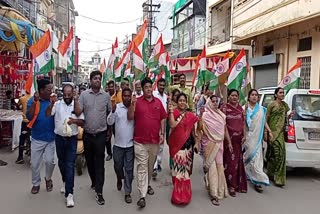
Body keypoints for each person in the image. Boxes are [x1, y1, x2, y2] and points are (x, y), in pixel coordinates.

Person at [127, 77, 167, 208]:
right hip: (139, 141)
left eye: (150, 87)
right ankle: (142, 196)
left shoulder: (158, 102)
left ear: (152, 88)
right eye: (146, 87)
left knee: (150, 167)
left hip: (154, 141)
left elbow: (162, 119)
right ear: (143, 89)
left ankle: (147, 184)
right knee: (142, 167)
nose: (148, 89)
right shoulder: (137, 102)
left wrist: (162, 133)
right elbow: (130, 117)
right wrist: (132, 105)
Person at [74, 70, 112, 205]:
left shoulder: (106, 96)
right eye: (95, 78)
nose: (97, 80)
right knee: (89, 162)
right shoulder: (84, 96)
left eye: (99, 78)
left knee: (99, 163)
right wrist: (75, 99)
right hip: (87, 134)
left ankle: (99, 191)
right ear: (90, 81)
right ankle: (94, 181)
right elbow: (78, 112)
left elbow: (109, 114)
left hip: (101, 135)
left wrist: (110, 130)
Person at [46, 83, 84, 207]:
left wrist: (73, 121)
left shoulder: (77, 105)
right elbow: (47, 115)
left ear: (73, 93)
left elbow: (82, 121)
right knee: (61, 163)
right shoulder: (57, 104)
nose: (67, 96)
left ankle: (69, 194)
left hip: (72, 139)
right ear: (63, 93)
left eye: (70, 94)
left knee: (69, 165)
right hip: (59, 139)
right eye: (65, 94)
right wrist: (51, 104)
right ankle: (64, 181)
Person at [196, 95, 229, 206]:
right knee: (212, 168)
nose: (215, 103)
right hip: (208, 144)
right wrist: (200, 116)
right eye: (213, 101)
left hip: (219, 145)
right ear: (209, 103)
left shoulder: (222, 115)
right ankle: (214, 195)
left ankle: (219, 190)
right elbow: (200, 129)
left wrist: (226, 141)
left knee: (219, 167)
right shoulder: (205, 115)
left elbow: (224, 130)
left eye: (216, 101)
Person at [168, 93, 198, 205]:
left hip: (188, 148)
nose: (182, 102)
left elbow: (193, 132)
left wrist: (197, 143)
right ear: (177, 102)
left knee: (185, 173)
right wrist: (171, 111)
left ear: (186, 102)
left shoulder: (190, 115)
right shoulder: (174, 113)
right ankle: (177, 197)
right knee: (178, 174)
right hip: (177, 148)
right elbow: (172, 125)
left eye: (184, 100)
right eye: (180, 100)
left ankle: (185, 196)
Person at [26, 79, 55, 194]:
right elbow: (29, 116)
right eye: (49, 90)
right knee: (35, 164)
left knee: (50, 162)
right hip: (37, 138)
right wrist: (34, 102)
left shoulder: (54, 101)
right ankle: (36, 184)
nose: (51, 92)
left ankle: (48, 179)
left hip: (51, 138)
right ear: (41, 90)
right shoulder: (32, 101)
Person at [107, 88, 134, 204]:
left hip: (130, 145)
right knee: (118, 166)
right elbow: (109, 122)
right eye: (125, 96)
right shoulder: (117, 107)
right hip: (118, 145)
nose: (127, 98)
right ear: (122, 96)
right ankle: (119, 178)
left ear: (131, 96)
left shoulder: (134, 108)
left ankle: (127, 192)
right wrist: (112, 112)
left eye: (129, 96)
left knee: (129, 169)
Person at [243, 89, 273, 193]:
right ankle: (249, 174)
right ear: (249, 96)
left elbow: (264, 122)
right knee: (249, 158)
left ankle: (258, 181)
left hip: (257, 138)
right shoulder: (244, 108)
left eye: (256, 95)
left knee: (257, 160)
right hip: (247, 137)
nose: (254, 97)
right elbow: (242, 123)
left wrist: (269, 131)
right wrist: (244, 112)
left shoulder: (261, 109)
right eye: (252, 95)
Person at [220, 89, 247, 197]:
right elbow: (223, 124)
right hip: (228, 140)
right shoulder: (224, 108)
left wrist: (244, 135)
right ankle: (230, 185)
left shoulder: (241, 109)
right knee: (230, 163)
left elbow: (243, 122)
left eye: (236, 96)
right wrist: (228, 140)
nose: (234, 97)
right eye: (232, 95)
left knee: (237, 164)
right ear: (229, 97)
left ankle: (236, 184)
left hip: (238, 141)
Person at [266, 87, 293, 187]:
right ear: (276, 94)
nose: (282, 94)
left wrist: (289, 116)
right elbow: (266, 119)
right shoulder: (271, 104)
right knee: (273, 154)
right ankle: (271, 173)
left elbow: (284, 118)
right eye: (280, 93)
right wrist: (267, 132)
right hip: (272, 133)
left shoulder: (284, 105)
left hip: (280, 133)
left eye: (283, 93)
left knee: (280, 155)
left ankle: (278, 178)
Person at [152, 78, 168, 179]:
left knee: (161, 145)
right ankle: (153, 167)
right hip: (155, 122)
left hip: (164, 122)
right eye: (160, 85)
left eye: (163, 85)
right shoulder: (154, 95)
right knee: (155, 145)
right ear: (157, 85)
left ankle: (158, 162)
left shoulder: (166, 96)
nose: (162, 87)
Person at [16, 90, 32, 164]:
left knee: (22, 138)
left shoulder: (22, 98)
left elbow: (18, 106)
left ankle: (20, 157)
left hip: (25, 122)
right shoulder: (33, 98)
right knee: (33, 138)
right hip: (32, 122)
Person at [105, 80, 116, 161]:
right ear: (107, 88)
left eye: (112, 86)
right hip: (107, 119)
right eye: (110, 86)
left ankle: (117, 152)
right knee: (107, 137)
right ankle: (109, 153)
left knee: (117, 136)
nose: (111, 88)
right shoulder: (105, 96)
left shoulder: (118, 95)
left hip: (117, 120)